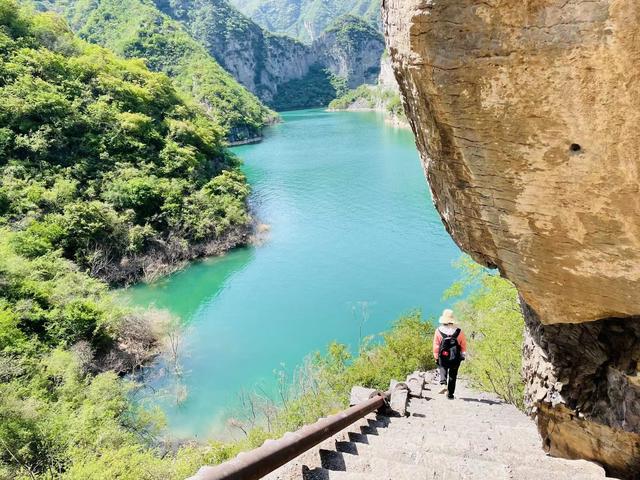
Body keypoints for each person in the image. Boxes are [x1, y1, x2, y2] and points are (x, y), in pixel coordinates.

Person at [433, 309, 467, 399]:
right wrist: (463, 355)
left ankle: (443, 383)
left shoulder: (438, 331)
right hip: (455, 357)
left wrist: (436, 356)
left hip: (443, 356)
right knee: (453, 375)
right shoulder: (459, 331)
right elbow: (463, 344)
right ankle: (450, 394)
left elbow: (436, 345)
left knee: (443, 368)